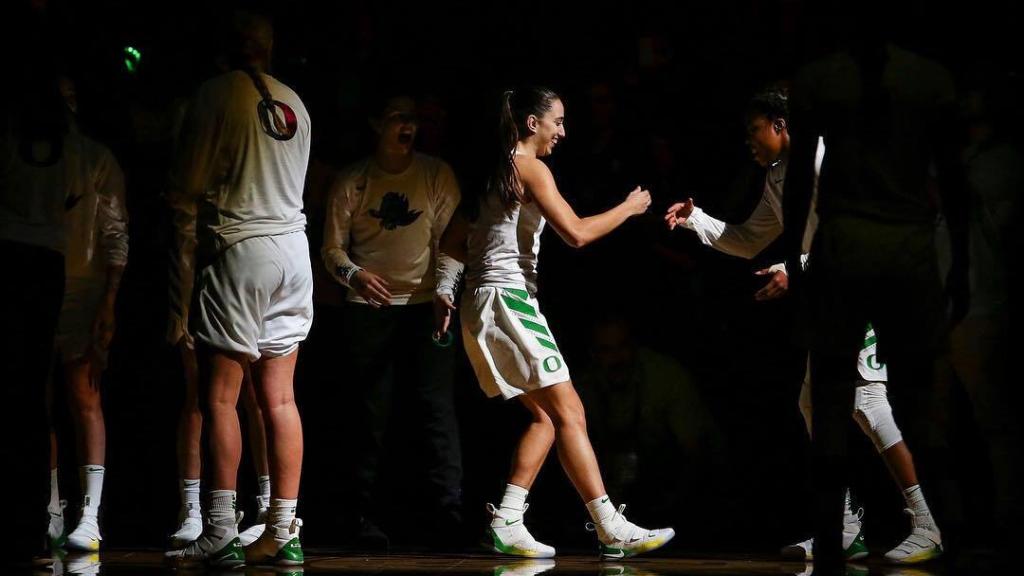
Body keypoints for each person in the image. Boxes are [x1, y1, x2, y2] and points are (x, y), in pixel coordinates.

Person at [665, 86, 942, 563]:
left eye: (754, 130)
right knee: (814, 404)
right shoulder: (778, 175)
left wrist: (793, 270)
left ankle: (928, 523)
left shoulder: (824, 160)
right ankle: (843, 529)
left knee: (866, 402)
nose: (749, 141)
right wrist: (697, 220)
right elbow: (749, 239)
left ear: (781, 125)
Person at [437, 86, 674, 559]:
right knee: (571, 413)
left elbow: (451, 243)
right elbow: (577, 233)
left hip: (485, 302)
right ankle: (610, 527)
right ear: (532, 123)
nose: (562, 132)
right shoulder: (530, 168)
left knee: (546, 418)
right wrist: (629, 208)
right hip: (508, 301)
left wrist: (447, 293)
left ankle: (507, 520)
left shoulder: (493, 169)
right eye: (558, 121)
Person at [781, 35, 967, 572]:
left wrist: (795, 257)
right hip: (898, 247)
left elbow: (801, 179)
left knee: (841, 404)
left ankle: (896, 533)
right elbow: (951, 176)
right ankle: (859, 536)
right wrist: (959, 264)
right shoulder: (928, 78)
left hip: (854, 246)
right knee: (884, 404)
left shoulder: (821, 77)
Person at [164, 11, 312, 568]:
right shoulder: (295, 100)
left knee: (220, 398)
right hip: (294, 252)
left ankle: (221, 529)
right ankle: (283, 530)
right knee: (281, 398)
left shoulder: (215, 93)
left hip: (241, 250)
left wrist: (179, 289)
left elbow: (185, 187)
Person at [322, 92, 464, 547]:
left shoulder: (436, 174)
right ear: (374, 123)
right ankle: (361, 518)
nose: (408, 126)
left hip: (426, 307)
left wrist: (444, 289)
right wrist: (354, 276)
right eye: (397, 117)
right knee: (369, 415)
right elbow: (331, 249)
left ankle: (447, 518)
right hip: (369, 310)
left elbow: (452, 241)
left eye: (412, 118)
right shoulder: (354, 180)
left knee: (436, 412)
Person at [46, 75, 129, 553]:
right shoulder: (25, 154)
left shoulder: (96, 158)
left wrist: (109, 300)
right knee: (38, 401)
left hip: (83, 288)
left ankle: (90, 515)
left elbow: (115, 232)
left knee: (84, 396)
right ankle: (51, 509)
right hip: (37, 283)